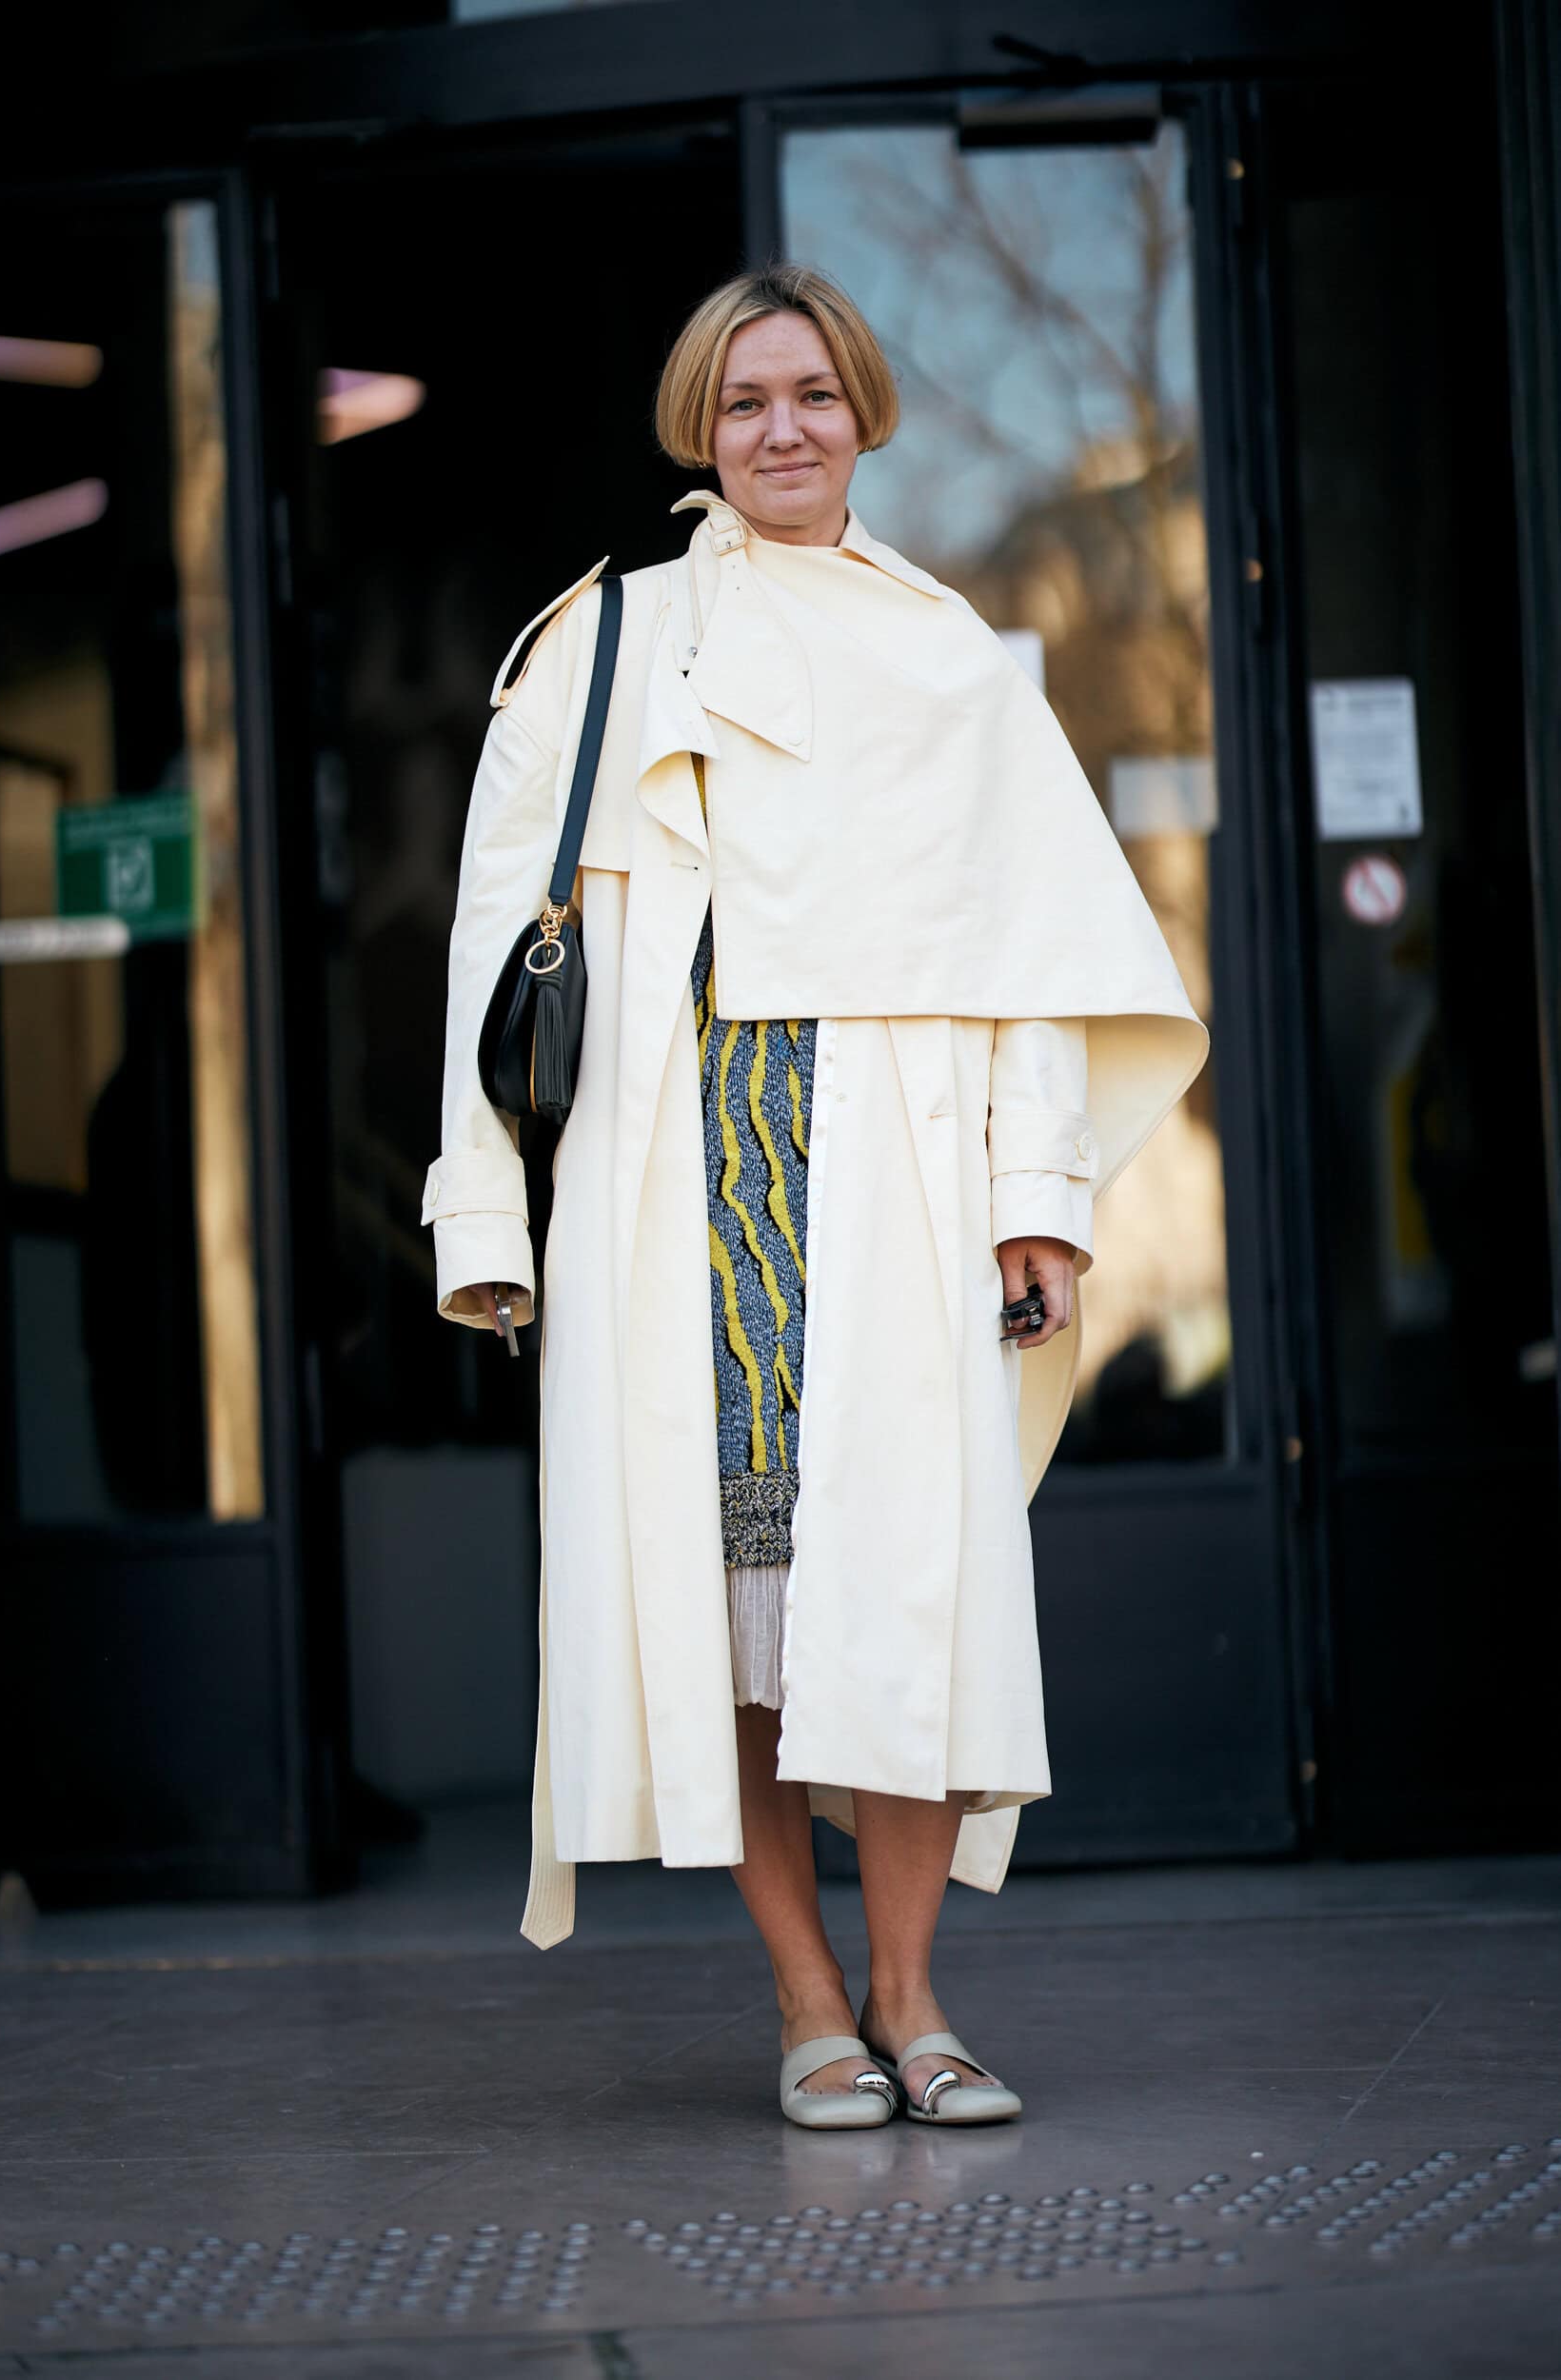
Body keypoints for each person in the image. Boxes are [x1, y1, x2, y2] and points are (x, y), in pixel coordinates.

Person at [424, 263, 1208, 2129]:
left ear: (865, 411)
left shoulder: (955, 655)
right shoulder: (600, 643)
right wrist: (488, 1220)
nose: (784, 428)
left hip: (905, 1198)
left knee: (907, 1606)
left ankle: (918, 1999)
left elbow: (1032, 956)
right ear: (704, 426)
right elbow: (488, 947)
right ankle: (807, 2002)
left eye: (816, 395)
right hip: (675, 1202)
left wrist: (1042, 1195)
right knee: (743, 1631)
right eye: (747, 399)